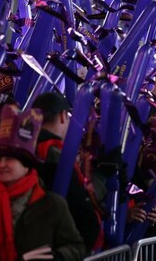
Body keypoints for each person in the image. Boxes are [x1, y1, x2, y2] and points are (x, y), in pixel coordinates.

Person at [0, 104, 85, 261]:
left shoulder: (52, 204)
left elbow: (76, 246)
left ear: (26, 165)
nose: (2, 164)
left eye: (10, 158)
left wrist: (57, 257)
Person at [32, 91, 103, 254]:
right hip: (63, 245)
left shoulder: (28, 147)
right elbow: (77, 200)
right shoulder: (56, 154)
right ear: (63, 116)